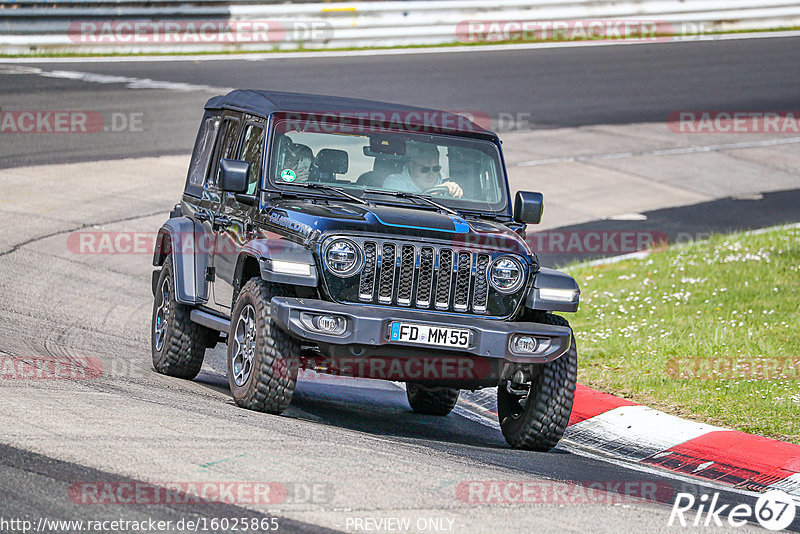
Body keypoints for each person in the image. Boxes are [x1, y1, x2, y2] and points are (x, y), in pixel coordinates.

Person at [383, 142, 463, 198]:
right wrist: (436, 193)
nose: (431, 174)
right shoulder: (394, 183)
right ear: (411, 167)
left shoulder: (447, 186)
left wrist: (455, 192)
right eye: (425, 169)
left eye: (436, 169)